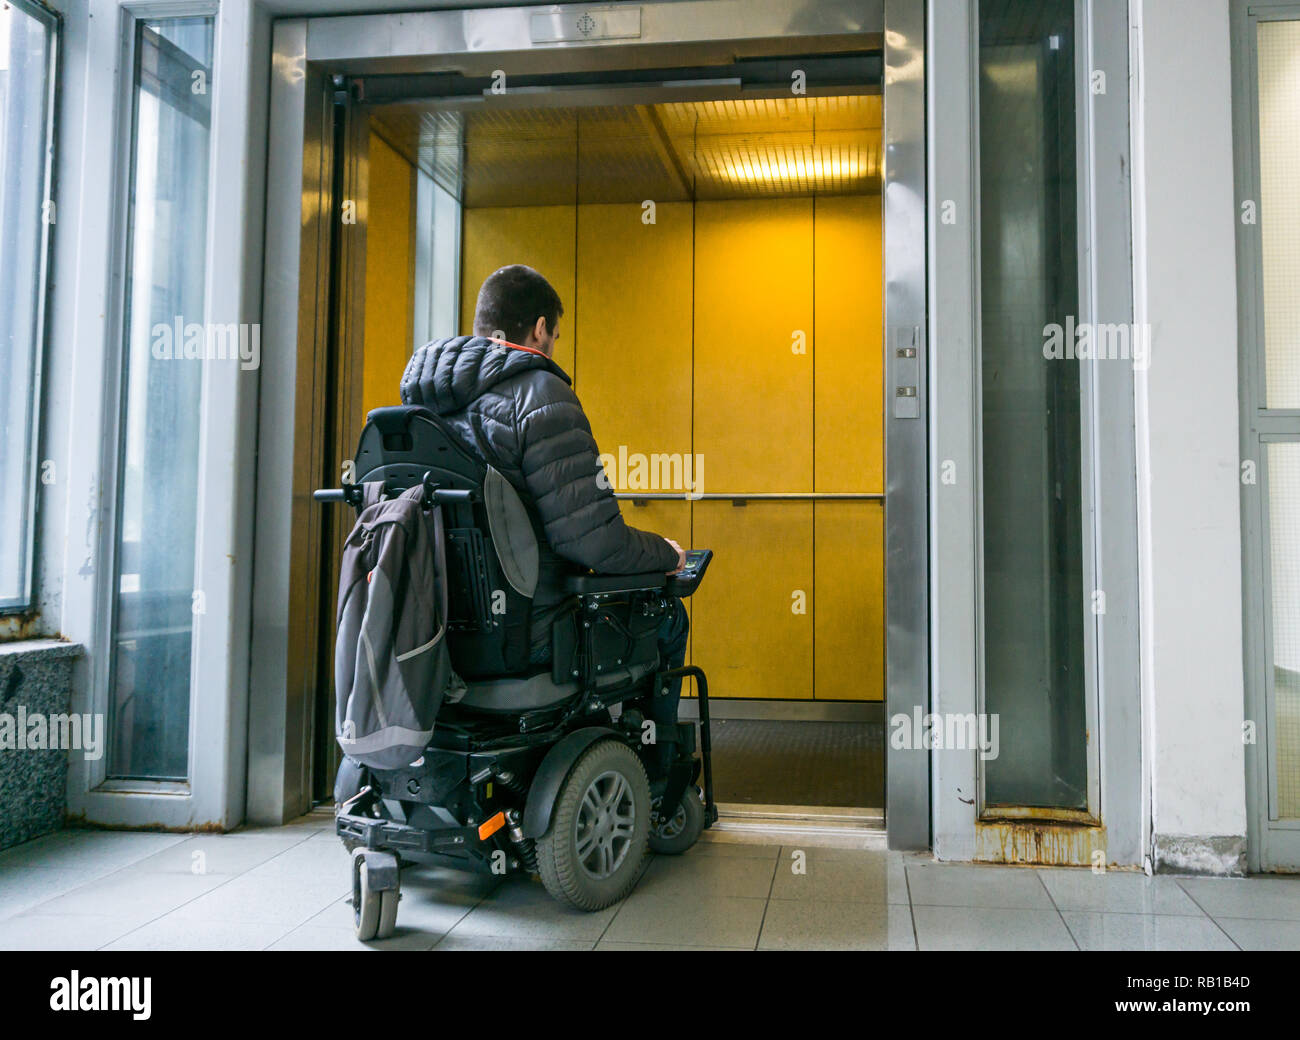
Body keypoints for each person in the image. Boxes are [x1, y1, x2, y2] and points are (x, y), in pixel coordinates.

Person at [399, 264, 689, 741]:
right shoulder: (541, 395)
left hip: (429, 631)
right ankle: (656, 757)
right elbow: (593, 544)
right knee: (666, 615)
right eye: (554, 335)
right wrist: (665, 553)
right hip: (528, 636)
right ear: (539, 330)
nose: (552, 345)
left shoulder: (420, 407)